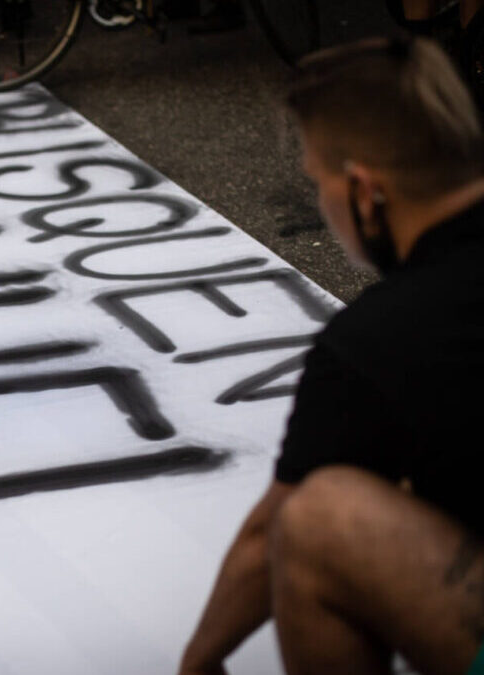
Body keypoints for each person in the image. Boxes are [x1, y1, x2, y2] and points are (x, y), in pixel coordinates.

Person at [179, 37, 484, 674]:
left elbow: (269, 537)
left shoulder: (384, 339)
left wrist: (198, 661)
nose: (323, 206)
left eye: (318, 183)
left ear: (365, 190)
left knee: (319, 518)